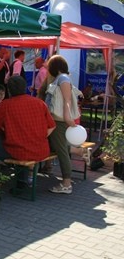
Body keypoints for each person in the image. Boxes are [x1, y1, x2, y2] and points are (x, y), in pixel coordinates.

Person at [0, 76, 56, 166]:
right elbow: (52, 126)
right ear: (25, 87)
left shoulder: (5, 105)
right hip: (41, 150)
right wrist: (38, 137)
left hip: (17, 150)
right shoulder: (39, 103)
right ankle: (17, 173)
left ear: (9, 90)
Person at [45, 54, 80, 194]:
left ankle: (66, 183)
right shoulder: (61, 78)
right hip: (57, 120)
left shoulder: (63, 78)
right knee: (59, 148)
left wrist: (66, 116)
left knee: (61, 151)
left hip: (59, 121)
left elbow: (67, 100)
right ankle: (80, 152)